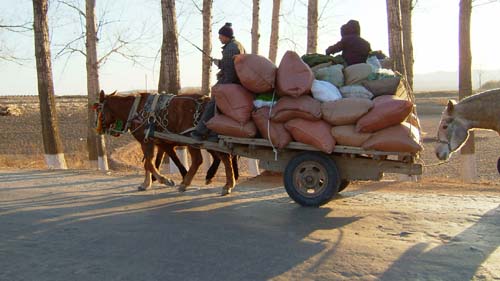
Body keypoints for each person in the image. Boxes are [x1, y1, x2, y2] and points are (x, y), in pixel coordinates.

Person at [191, 22, 246, 141]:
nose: (219, 38)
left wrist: (219, 88)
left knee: (212, 104)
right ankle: (213, 133)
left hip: (231, 84)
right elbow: (231, 64)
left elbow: (230, 74)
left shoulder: (230, 49)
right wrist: (219, 62)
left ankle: (200, 132)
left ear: (226, 36)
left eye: (221, 36)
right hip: (236, 83)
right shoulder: (237, 45)